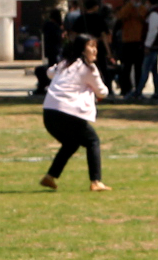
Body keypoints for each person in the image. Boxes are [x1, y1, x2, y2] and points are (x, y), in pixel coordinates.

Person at [39, 33, 110, 192]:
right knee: (93, 141)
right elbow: (103, 92)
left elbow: (49, 73)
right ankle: (96, 182)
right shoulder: (89, 68)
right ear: (82, 49)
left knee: (71, 143)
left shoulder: (64, 64)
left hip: (49, 113)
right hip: (67, 112)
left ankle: (50, 177)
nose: (95, 50)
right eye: (91, 46)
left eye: (95, 46)